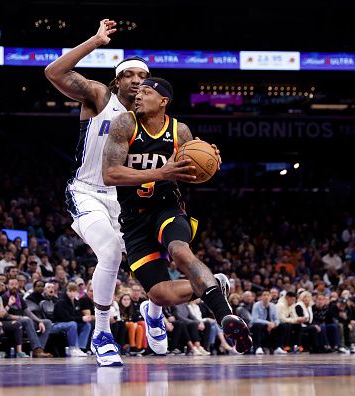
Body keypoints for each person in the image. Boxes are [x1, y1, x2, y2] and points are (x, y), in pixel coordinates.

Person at [102, 76, 252, 354]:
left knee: (181, 251)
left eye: (145, 92)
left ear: (163, 101)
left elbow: (193, 170)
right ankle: (214, 283)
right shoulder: (126, 124)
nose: (137, 96)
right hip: (134, 219)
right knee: (159, 294)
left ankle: (224, 315)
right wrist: (162, 172)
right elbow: (110, 174)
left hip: (166, 207)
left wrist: (209, 158)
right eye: (138, 92)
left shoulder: (179, 131)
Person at [44, 18, 150, 367]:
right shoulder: (99, 97)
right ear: (117, 80)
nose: (137, 80)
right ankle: (102, 332)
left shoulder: (147, 119)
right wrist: (94, 41)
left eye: (142, 77)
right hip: (86, 190)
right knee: (109, 252)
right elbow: (54, 73)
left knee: (149, 255)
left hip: (122, 198)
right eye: (130, 75)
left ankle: (154, 307)